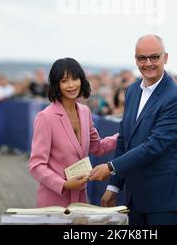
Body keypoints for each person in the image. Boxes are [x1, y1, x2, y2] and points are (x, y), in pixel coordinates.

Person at [88, 35, 177, 225]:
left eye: (154, 57)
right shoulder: (132, 91)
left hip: (167, 201)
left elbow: (154, 145)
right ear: (135, 59)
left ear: (166, 58)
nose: (148, 63)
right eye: (142, 58)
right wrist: (114, 186)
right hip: (136, 199)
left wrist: (111, 168)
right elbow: (124, 140)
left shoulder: (176, 97)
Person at [29, 58, 118, 207]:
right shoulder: (45, 117)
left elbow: (98, 147)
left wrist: (123, 136)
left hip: (81, 197)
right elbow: (36, 165)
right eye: (64, 81)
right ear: (57, 84)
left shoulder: (85, 111)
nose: (71, 85)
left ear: (81, 80)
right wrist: (64, 184)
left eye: (75, 79)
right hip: (54, 198)